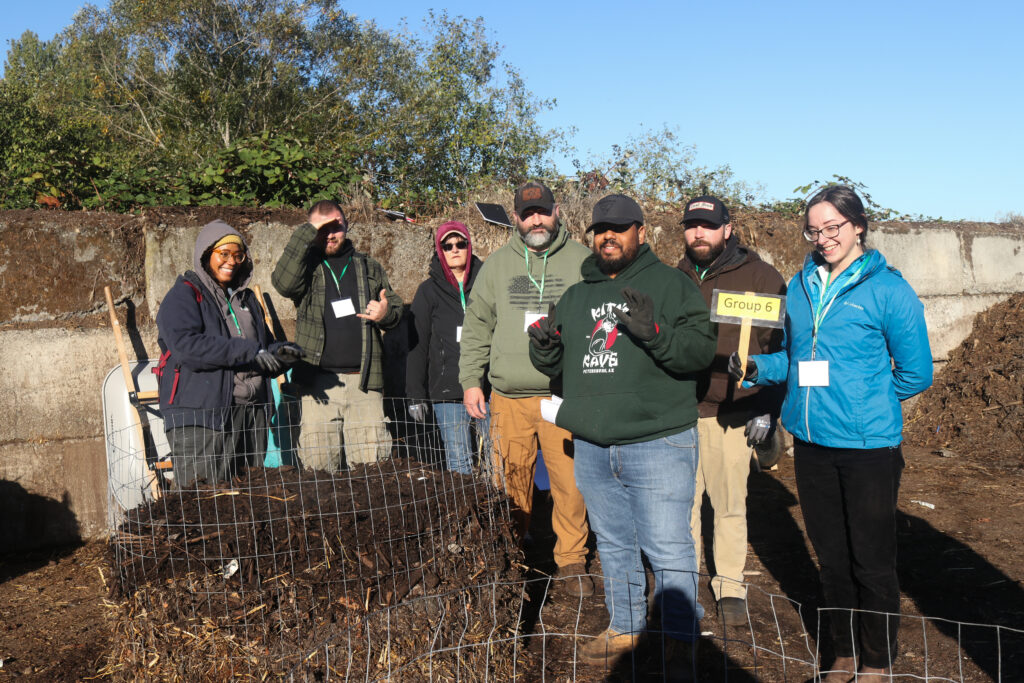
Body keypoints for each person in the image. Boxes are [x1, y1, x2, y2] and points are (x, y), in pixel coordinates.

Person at [729, 185, 932, 682]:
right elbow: (799, 361)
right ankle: (841, 654)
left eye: (833, 227)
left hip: (868, 450)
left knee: (872, 561)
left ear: (858, 225)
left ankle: (878, 662)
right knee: (832, 560)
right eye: (814, 230)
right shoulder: (800, 286)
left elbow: (916, 373)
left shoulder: (888, 290)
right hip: (814, 446)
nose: (823, 238)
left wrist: (865, 400)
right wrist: (758, 366)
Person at [529, 194, 716, 675]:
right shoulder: (576, 295)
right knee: (612, 541)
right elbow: (558, 367)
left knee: (667, 543)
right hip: (592, 443)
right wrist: (546, 350)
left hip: (657, 440)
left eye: (619, 227)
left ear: (641, 231)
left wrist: (653, 331)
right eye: (600, 229)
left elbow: (698, 352)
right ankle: (626, 625)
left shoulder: (671, 285)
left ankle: (680, 635)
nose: (608, 236)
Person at [459, 180, 593, 594]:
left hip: (563, 397)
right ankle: (510, 557)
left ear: (557, 213)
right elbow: (478, 326)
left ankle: (571, 561)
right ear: (515, 218)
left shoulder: (582, 263)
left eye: (543, 211)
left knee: (569, 484)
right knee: (509, 484)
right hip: (508, 398)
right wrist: (470, 382)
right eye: (527, 213)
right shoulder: (498, 266)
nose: (536, 219)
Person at [677, 195, 786, 626]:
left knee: (729, 505)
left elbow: (781, 350)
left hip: (733, 412)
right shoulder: (674, 278)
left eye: (707, 225)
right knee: (681, 505)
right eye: (691, 225)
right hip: (680, 411)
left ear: (728, 227)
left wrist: (767, 410)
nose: (699, 233)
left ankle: (730, 586)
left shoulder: (763, 277)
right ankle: (680, 583)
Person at [155, 220, 302, 486]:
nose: (231, 261)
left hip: (250, 414)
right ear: (205, 254)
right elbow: (188, 347)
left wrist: (280, 355)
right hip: (203, 417)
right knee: (205, 504)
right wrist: (250, 352)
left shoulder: (246, 300)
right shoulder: (184, 295)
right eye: (223, 254)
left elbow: (260, 349)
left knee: (248, 500)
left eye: (238, 255)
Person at [271, 200, 403, 469]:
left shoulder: (369, 267)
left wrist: (385, 314)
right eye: (323, 228)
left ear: (346, 225)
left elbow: (395, 306)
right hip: (318, 385)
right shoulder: (307, 268)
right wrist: (308, 232)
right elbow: (282, 284)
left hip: (364, 384)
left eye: (337, 226)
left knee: (372, 472)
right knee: (319, 470)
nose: (331, 234)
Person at [406, 221, 487, 474]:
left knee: (497, 458)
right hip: (448, 390)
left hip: (488, 388)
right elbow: (417, 345)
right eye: (447, 245)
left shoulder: (487, 284)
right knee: (459, 462)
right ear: (439, 250)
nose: (454, 249)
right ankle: (468, 513)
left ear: (469, 246)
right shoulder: (428, 291)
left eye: (460, 243)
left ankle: (501, 513)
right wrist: (415, 395)